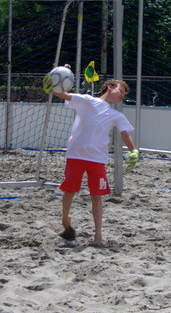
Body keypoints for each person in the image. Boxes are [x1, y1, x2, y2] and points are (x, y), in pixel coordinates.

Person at [46, 76, 138, 246]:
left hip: (97, 159)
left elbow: (125, 134)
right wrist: (51, 84)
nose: (122, 95)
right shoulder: (88, 101)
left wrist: (134, 150)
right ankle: (65, 220)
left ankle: (98, 236)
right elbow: (64, 95)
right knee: (70, 190)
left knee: (97, 196)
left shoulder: (115, 115)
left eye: (124, 94)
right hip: (76, 155)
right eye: (120, 90)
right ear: (109, 87)